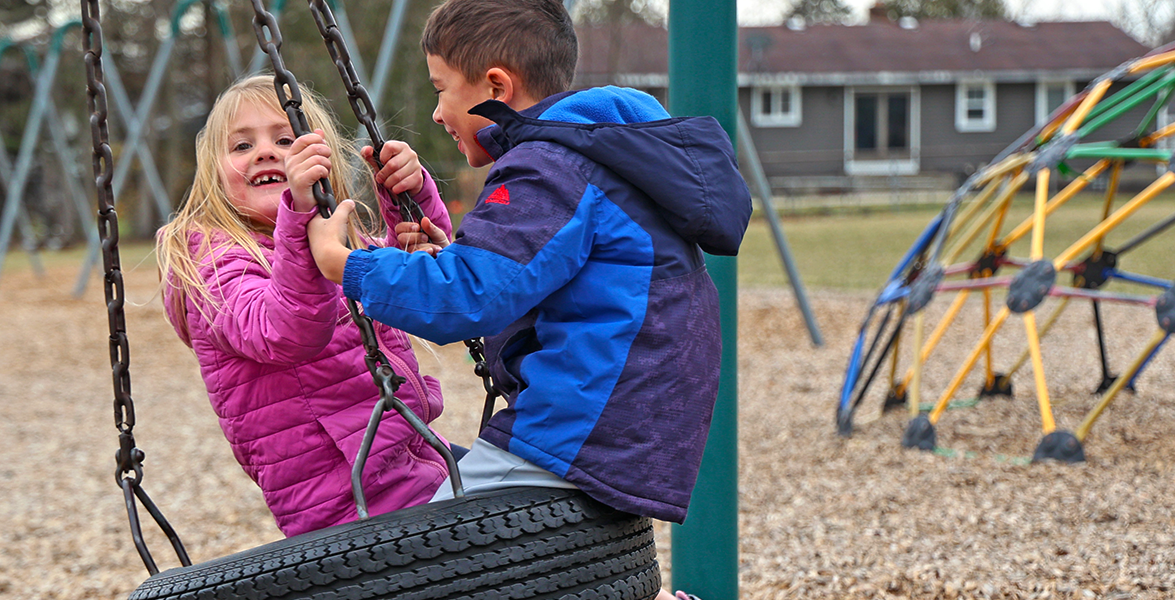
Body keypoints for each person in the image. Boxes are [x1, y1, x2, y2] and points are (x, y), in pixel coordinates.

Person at [302, 0, 751, 527]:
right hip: (636, 426)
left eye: (440, 89)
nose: (435, 112)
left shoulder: (546, 167)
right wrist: (451, 258)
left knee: (413, 552)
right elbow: (548, 280)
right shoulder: (599, 154)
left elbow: (469, 298)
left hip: (579, 425)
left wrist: (344, 264)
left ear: (496, 88)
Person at [156, 75, 456, 537]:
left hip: (410, 458)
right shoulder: (212, 262)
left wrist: (408, 201)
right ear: (214, 172)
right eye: (241, 146)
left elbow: (422, 288)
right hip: (343, 498)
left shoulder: (336, 246)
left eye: (284, 139)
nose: (265, 152)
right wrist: (298, 220)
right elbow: (284, 329)